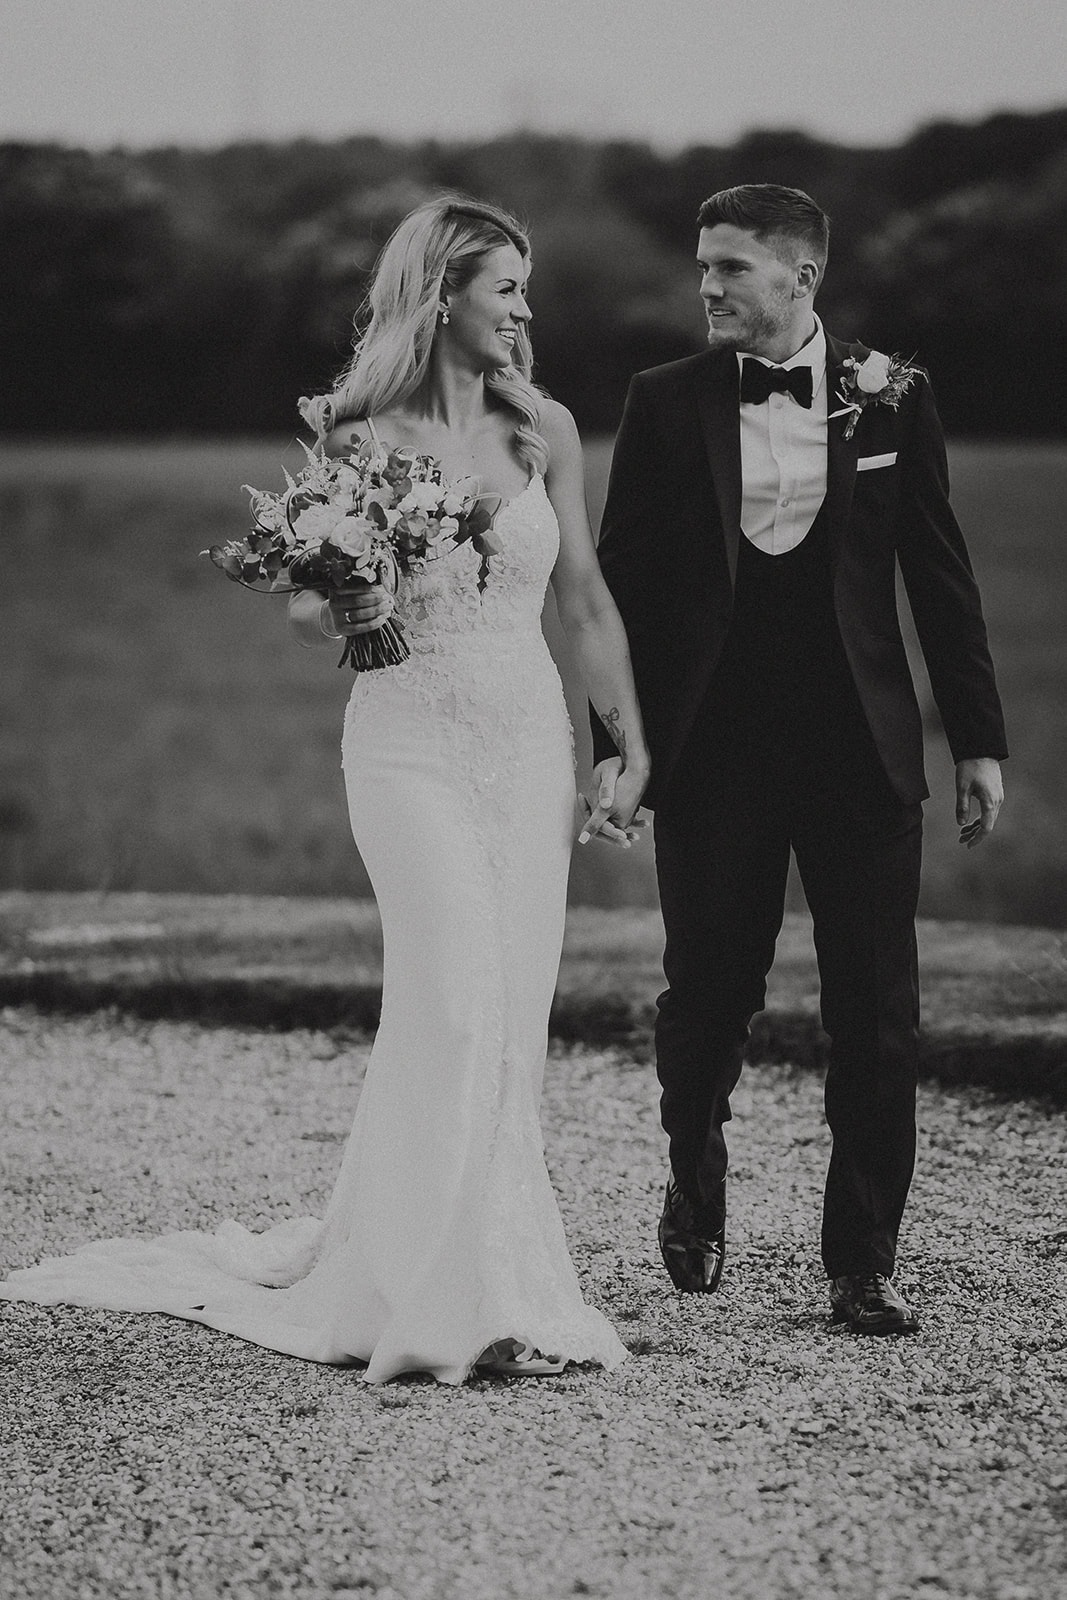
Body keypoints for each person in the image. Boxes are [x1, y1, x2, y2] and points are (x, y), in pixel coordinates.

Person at [0, 196, 649, 1383]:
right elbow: (309, 605)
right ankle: (435, 1302)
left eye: (526, 289)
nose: (524, 311)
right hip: (407, 745)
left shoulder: (543, 428)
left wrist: (625, 743)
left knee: (509, 1013)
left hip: (526, 745)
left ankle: (493, 1280)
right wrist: (349, 604)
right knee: (450, 995)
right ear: (441, 295)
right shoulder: (358, 433)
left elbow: (587, 602)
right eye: (506, 288)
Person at [592, 184, 1006, 1336]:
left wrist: (976, 737)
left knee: (875, 1009)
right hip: (712, 754)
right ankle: (693, 1174)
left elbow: (938, 572)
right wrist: (619, 749)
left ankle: (862, 1260)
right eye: (701, 265)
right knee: (705, 997)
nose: (706, 286)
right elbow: (617, 591)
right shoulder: (663, 402)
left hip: (858, 753)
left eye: (729, 266)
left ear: (800, 276)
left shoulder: (891, 396)